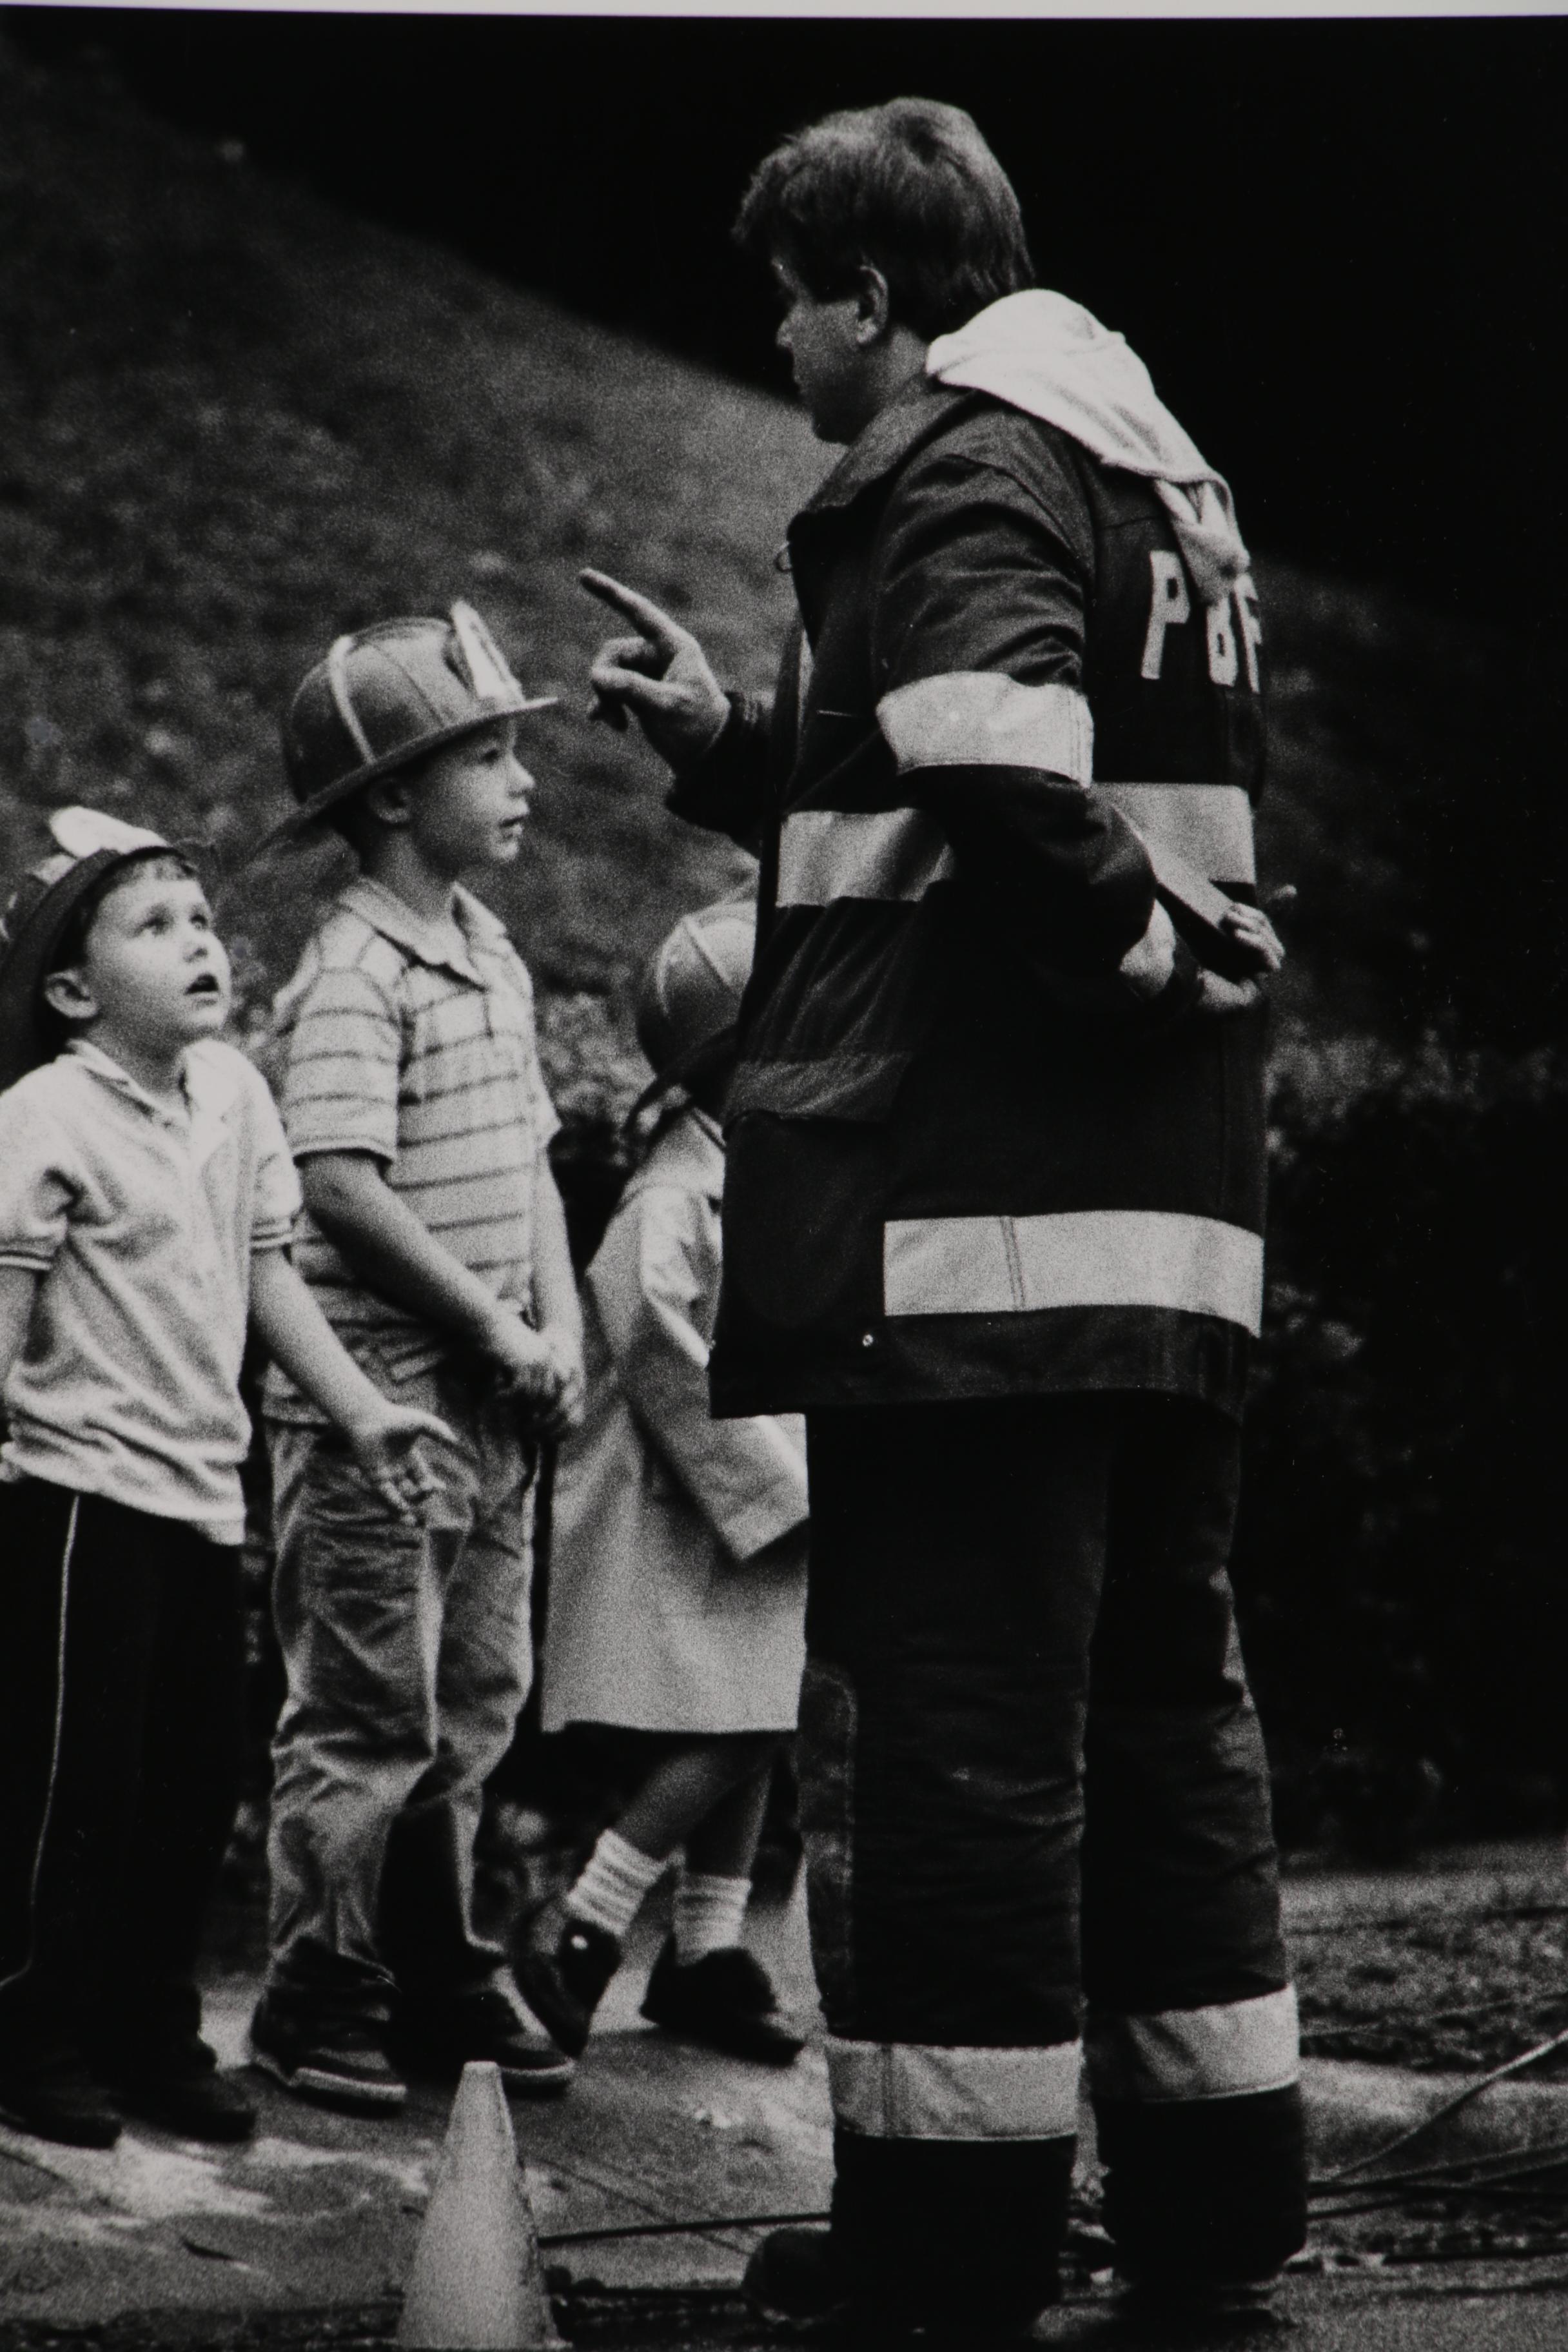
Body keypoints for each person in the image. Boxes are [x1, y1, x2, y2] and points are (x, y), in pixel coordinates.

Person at [582, 97, 1303, 2346]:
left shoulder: (953, 463)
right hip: (1155, 1230)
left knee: (968, 1733)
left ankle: (949, 2237)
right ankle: (1210, 2200)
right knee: (1165, 1709)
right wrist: (733, 748)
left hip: (977, 1227)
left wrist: (1155, 956)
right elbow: (943, 756)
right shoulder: (1145, 465)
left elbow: (1003, 784)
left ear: (870, 297)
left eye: (788, 310)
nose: (783, 354)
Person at [0, 808, 455, 2151]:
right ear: (74, 991)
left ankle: (148, 2032)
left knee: (190, 1780)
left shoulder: (236, 1097)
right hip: (75, 1499)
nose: (197, 943)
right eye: (153, 926)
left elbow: (266, 1277)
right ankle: (29, 2027)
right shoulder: (42, 1117)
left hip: (205, 1499)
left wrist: (363, 1410)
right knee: (70, 1789)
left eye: (199, 920)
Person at [248, 605, 585, 2113]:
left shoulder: (490, 953)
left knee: (472, 1703)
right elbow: (337, 1184)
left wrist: (555, 1327)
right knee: (367, 1713)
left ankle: (437, 1964)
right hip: (380, 1394)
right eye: (491, 755)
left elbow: (533, 1170)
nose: (525, 780)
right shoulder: (354, 968)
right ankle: (318, 1994)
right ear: (391, 797)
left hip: (495, 1399)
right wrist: (492, 1324)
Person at [516, 898, 809, 2069]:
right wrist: (769, 1489)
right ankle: (584, 1924)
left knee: (752, 1708)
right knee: (741, 1718)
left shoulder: (749, 1170)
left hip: (743, 1494)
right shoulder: (673, 1198)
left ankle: (705, 1952)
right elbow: (652, 1344)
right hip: (693, 1500)